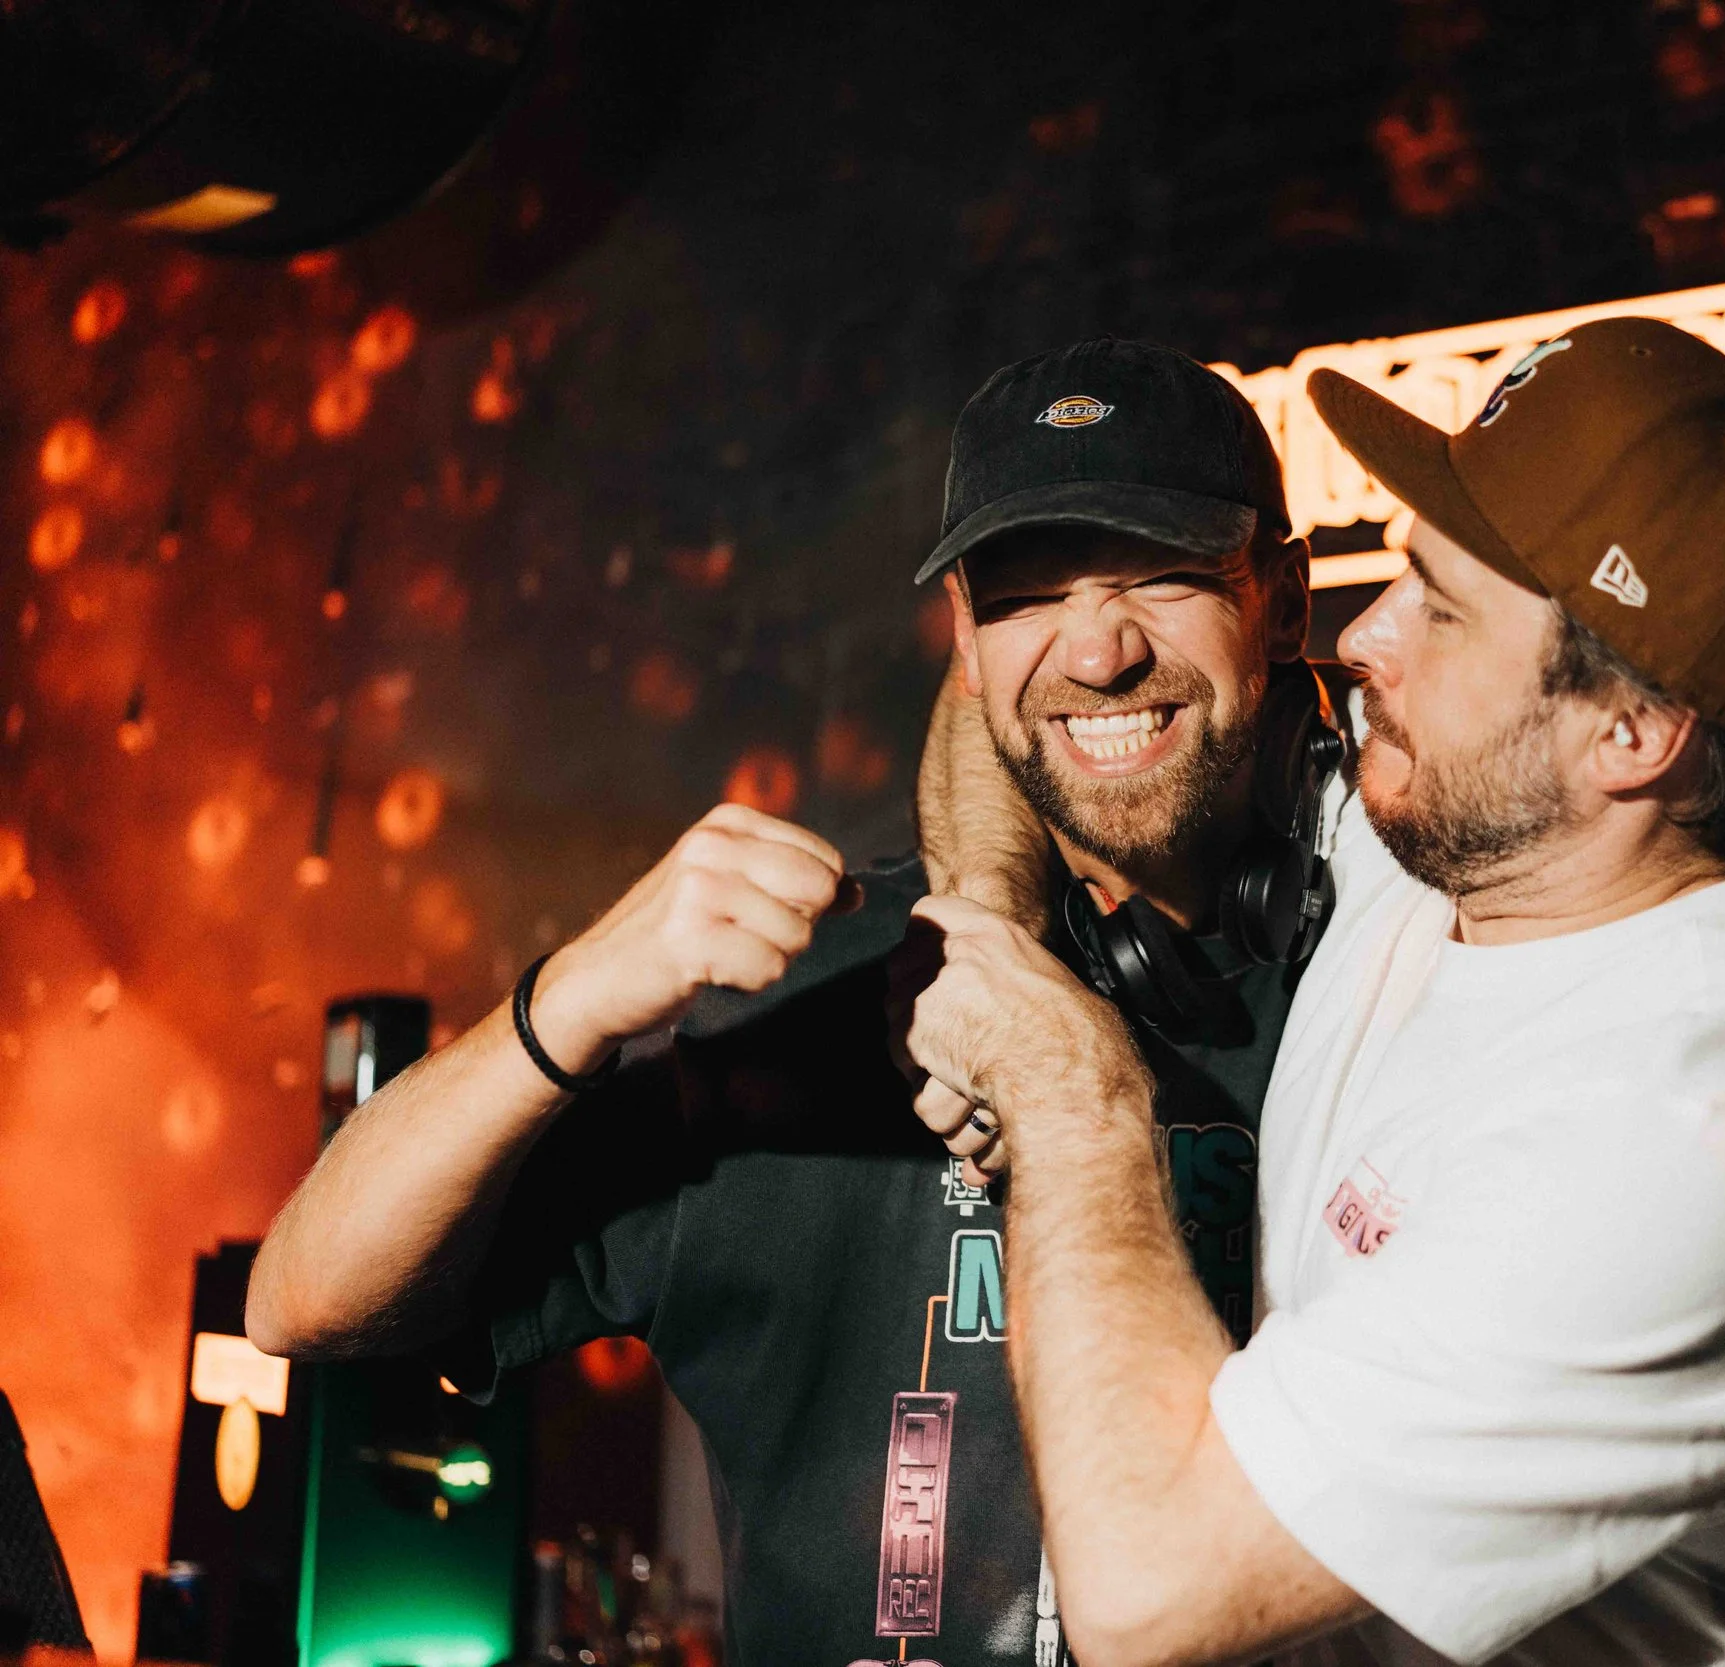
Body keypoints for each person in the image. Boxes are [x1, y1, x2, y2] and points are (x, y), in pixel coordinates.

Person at [245, 337, 1337, 1667]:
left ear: (1284, 602)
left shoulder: (1386, 983)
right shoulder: (821, 990)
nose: (1098, 649)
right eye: (1029, 593)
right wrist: (571, 998)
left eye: (1161, 576)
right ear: (967, 641)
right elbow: (301, 1302)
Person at [902, 316, 1725, 1667]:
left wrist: (1065, 1086)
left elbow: (1146, 1587)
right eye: (1398, 573)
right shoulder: (1470, 836)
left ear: (1632, 734)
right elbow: (1008, 688)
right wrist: (992, 928)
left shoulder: (1674, 1138)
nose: (1364, 639)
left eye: (1440, 608)